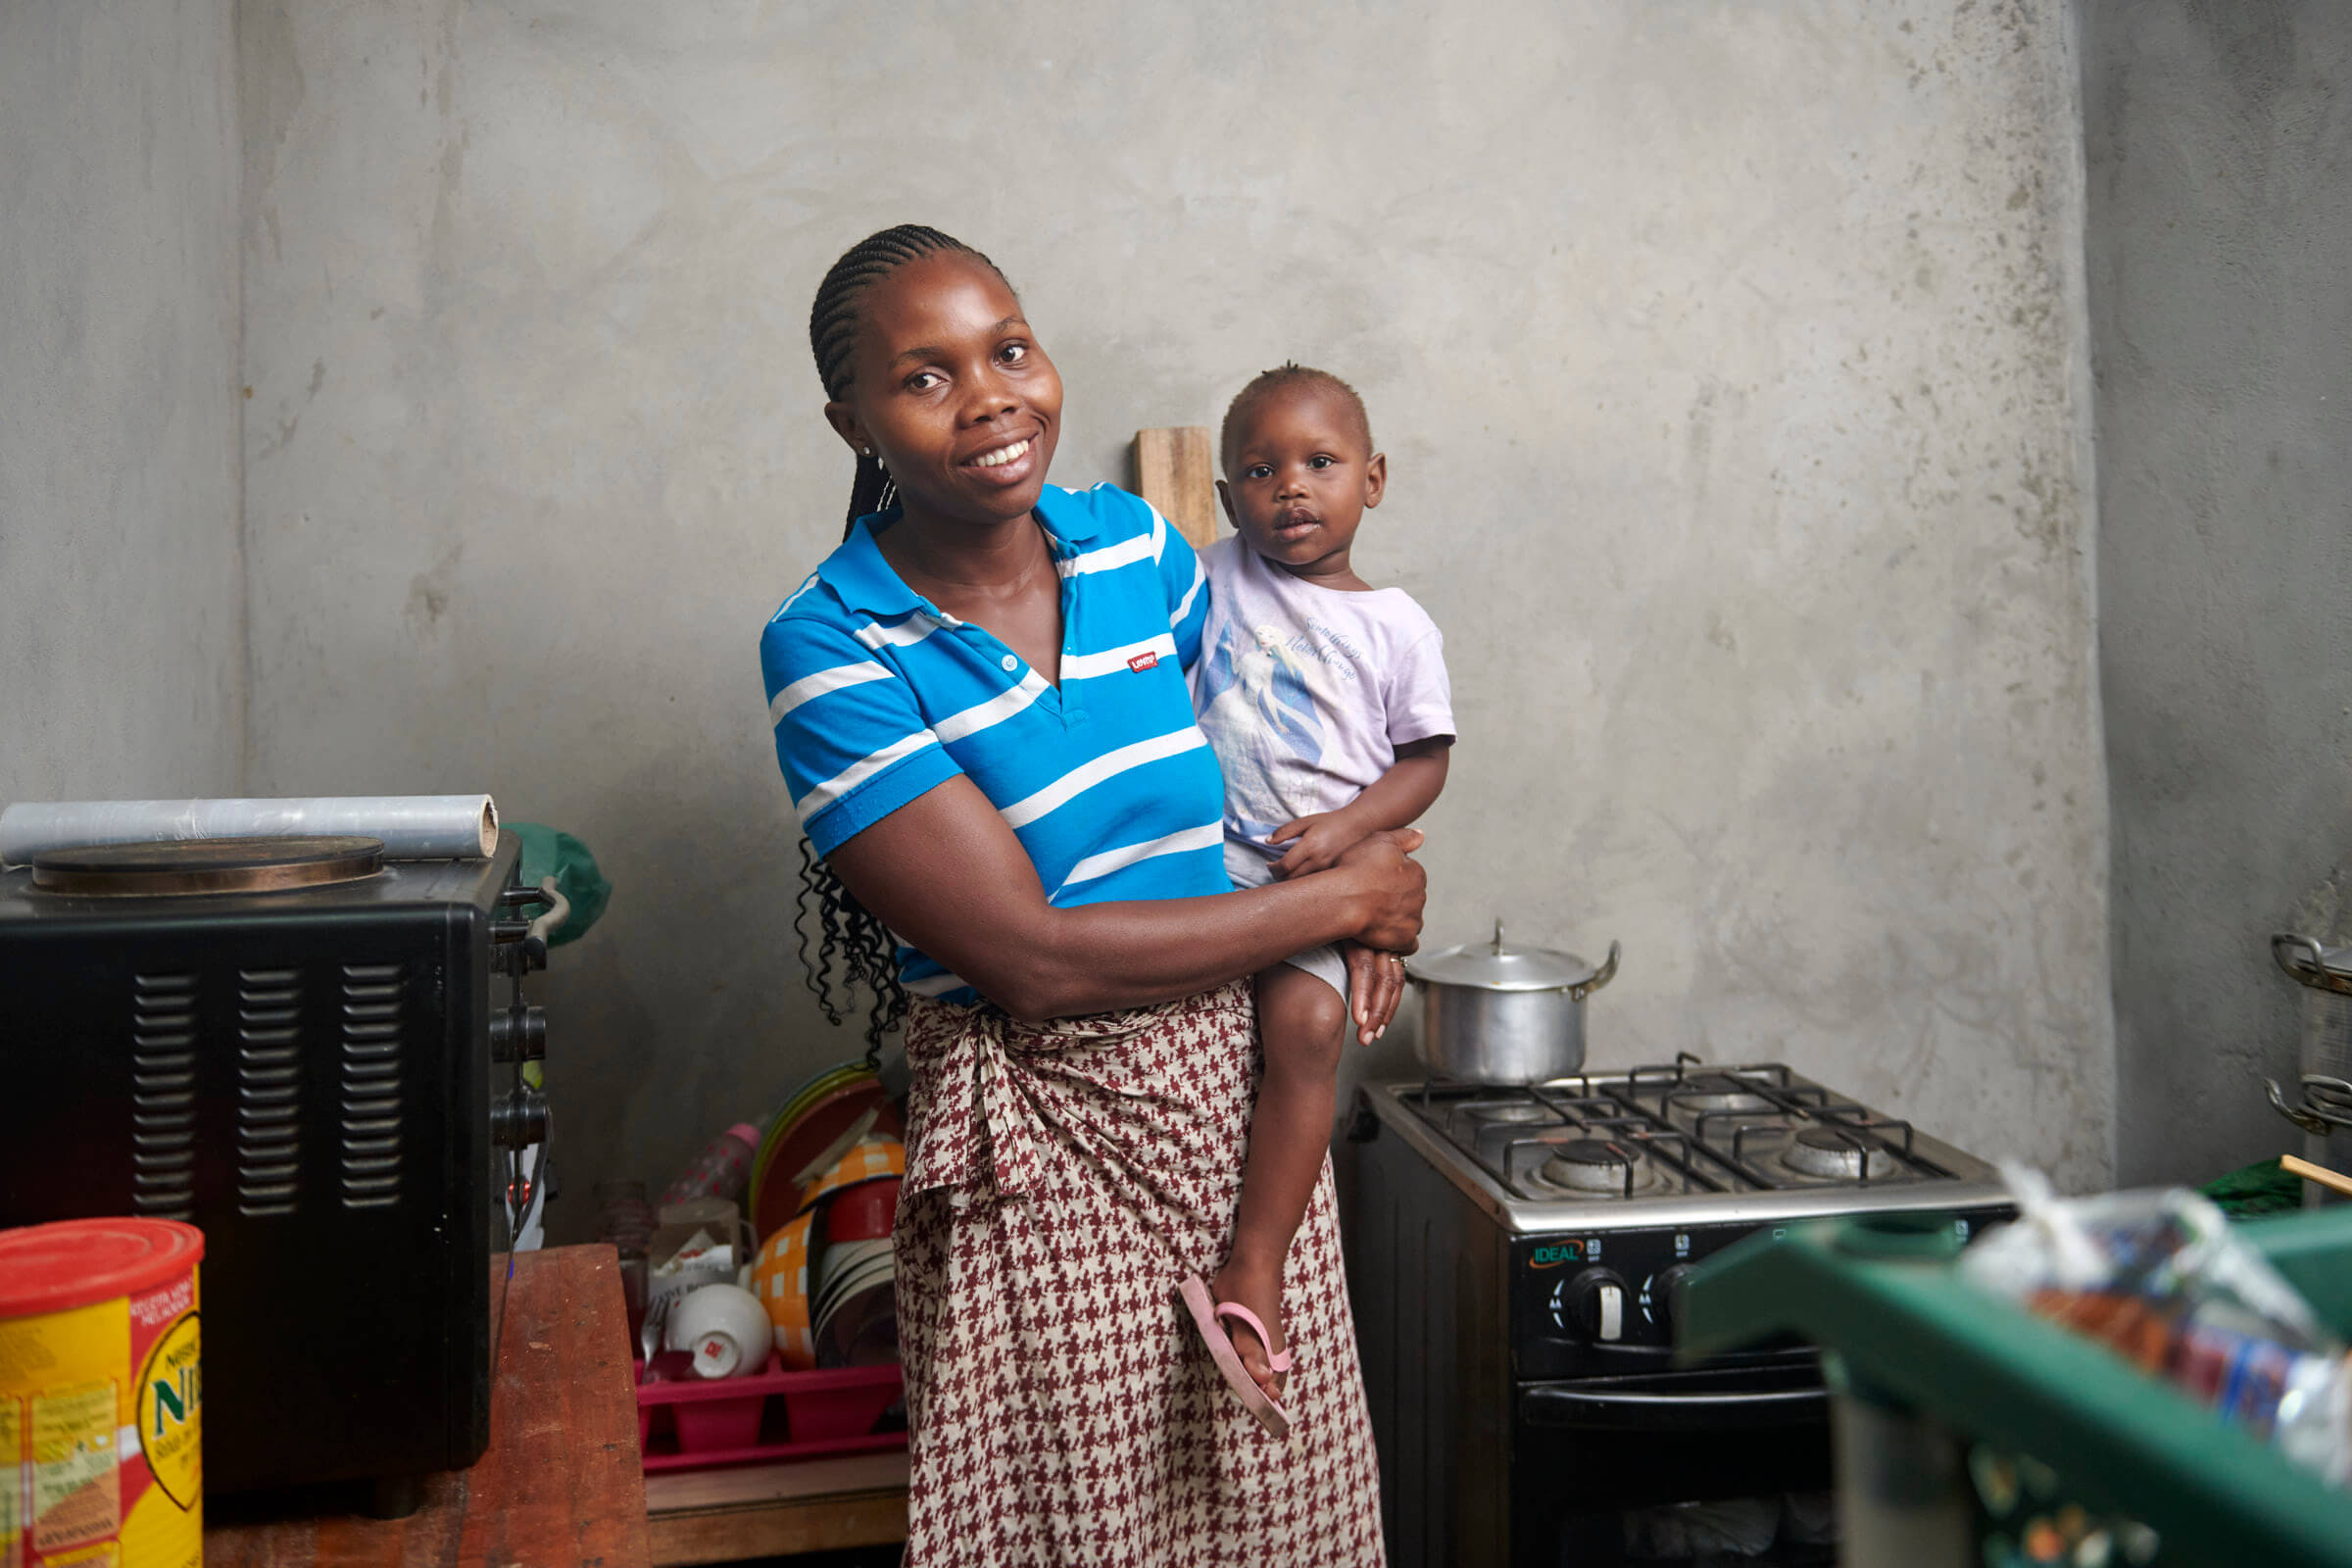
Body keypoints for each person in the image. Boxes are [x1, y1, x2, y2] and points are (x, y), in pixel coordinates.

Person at [760, 224, 1424, 1565]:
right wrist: (1352, 899)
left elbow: (1271, 758)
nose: (993, 395)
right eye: (926, 376)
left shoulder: (1137, 551)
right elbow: (1034, 961)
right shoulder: (831, 646)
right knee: (1091, 1533)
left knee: (1286, 1520)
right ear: (854, 423)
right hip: (1046, 1151)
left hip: (1243, 1132)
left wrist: (1359, 845)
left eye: (1009, 348)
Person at [1180, 366, 1453, 1435]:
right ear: (1226, 495)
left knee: (1307, 1028)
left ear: (1372, 480)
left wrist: (1352, 835)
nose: (1290, 487)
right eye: (1260, 469)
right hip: (1202, 881)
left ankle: (1257, 1259)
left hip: (1314, 883)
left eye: (1320, 464)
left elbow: (1424, 762)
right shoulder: (1205, 580)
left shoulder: (1395, 626)